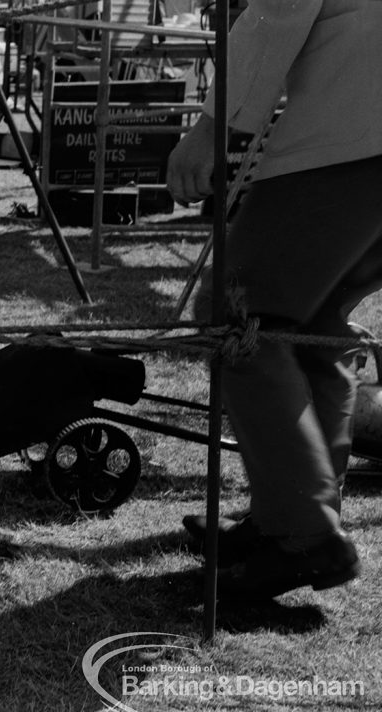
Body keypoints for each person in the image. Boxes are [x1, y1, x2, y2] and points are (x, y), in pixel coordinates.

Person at [166, 0, 382, 598]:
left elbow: (281, 9)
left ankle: (303, 535)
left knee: (241, 319)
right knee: (311, 324)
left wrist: (210, 131)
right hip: (365, 127)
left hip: (353, 134)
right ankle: (293, 516)